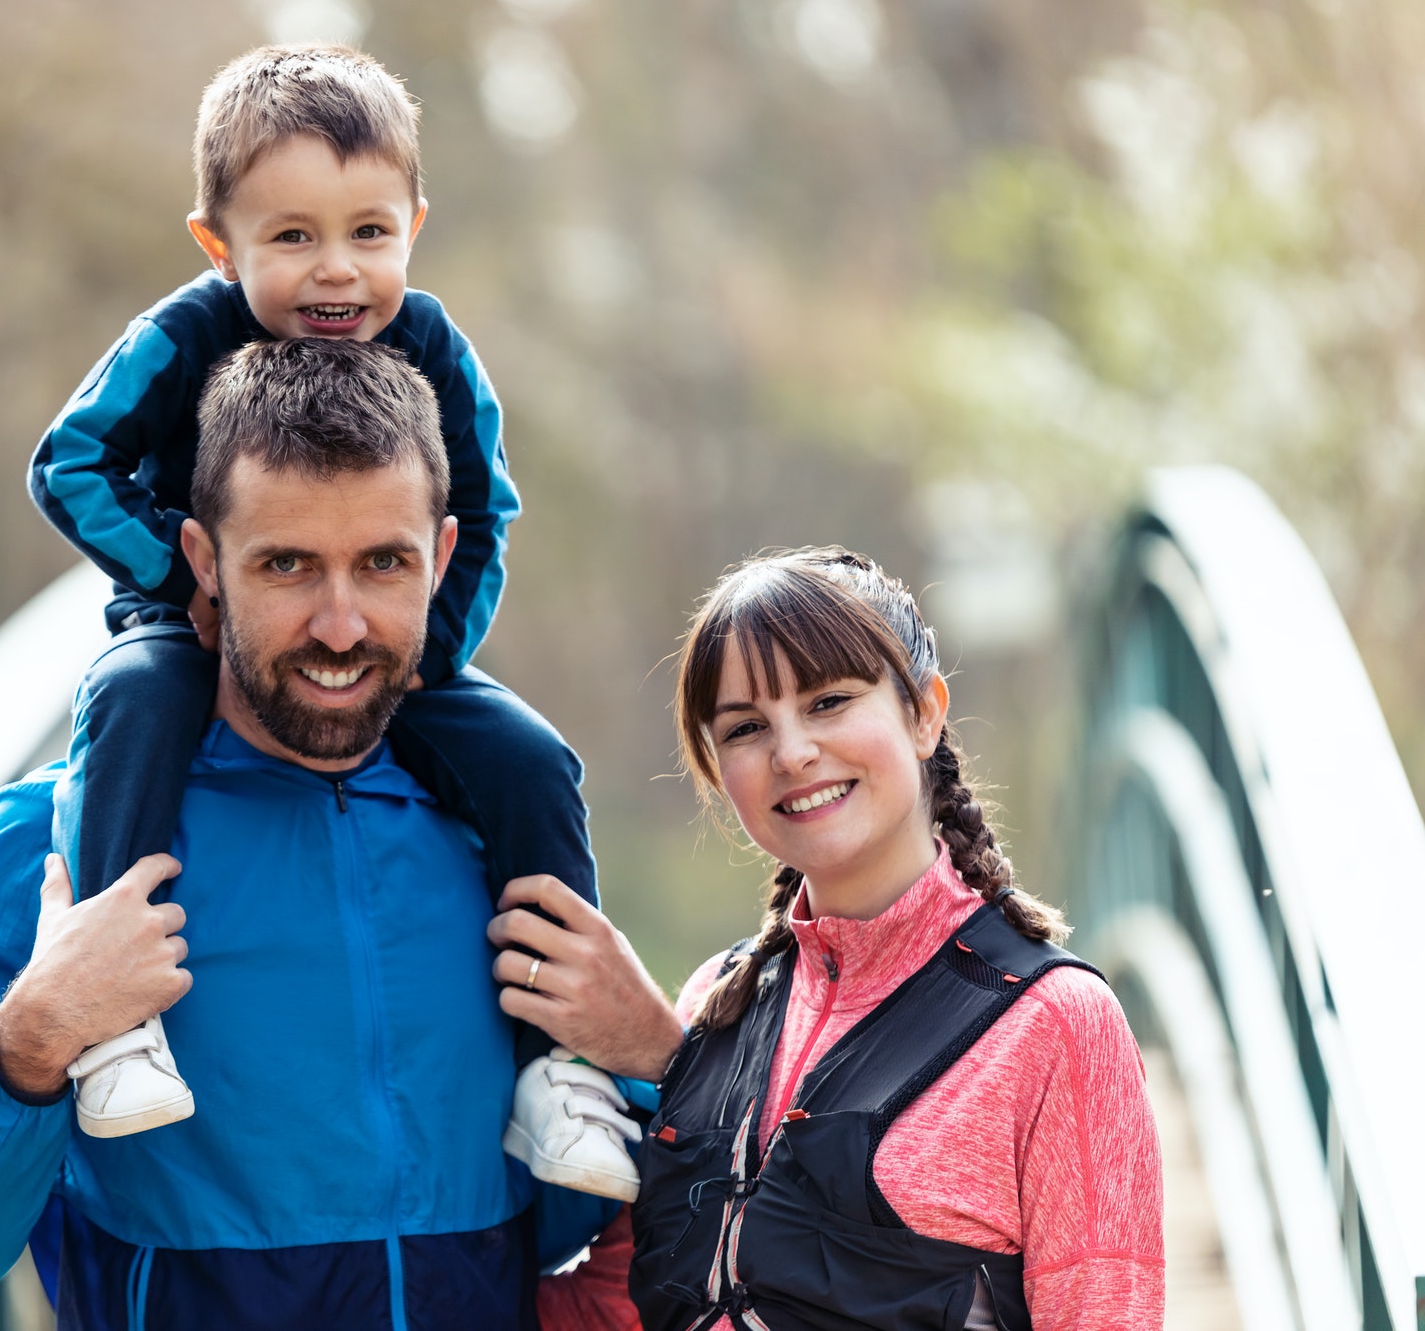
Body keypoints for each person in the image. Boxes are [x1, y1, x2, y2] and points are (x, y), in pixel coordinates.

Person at [0, 339, 632, 1330]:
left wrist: (643, 1065)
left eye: (383, 563)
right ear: (202, 562)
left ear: (441, 559)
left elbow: (564, 1215)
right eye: (286, 565)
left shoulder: (498, 833)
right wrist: (35, 1034)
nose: (342, 624)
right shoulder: (50, 847)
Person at [24, 42, 630, 1199]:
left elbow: (484, 508)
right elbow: (70, 463)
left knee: (526, 755)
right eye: (290, 237)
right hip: (187, 617)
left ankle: (560, 1071)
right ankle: (115, 1022)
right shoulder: (184, 336)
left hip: (398, 646)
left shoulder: (434, 348)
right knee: (135, 699)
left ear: (412, 221)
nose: (334, 273)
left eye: (367, 232)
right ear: (219, 243)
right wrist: (185, 583)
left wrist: (426, 661)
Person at [489, 547, 1165, 1330]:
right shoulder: (716, 998)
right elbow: (615, 1307)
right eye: (746, 727)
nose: (791, 752)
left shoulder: (1057, 1024)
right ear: (717, 767)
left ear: (923, 712)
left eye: (828, 700)